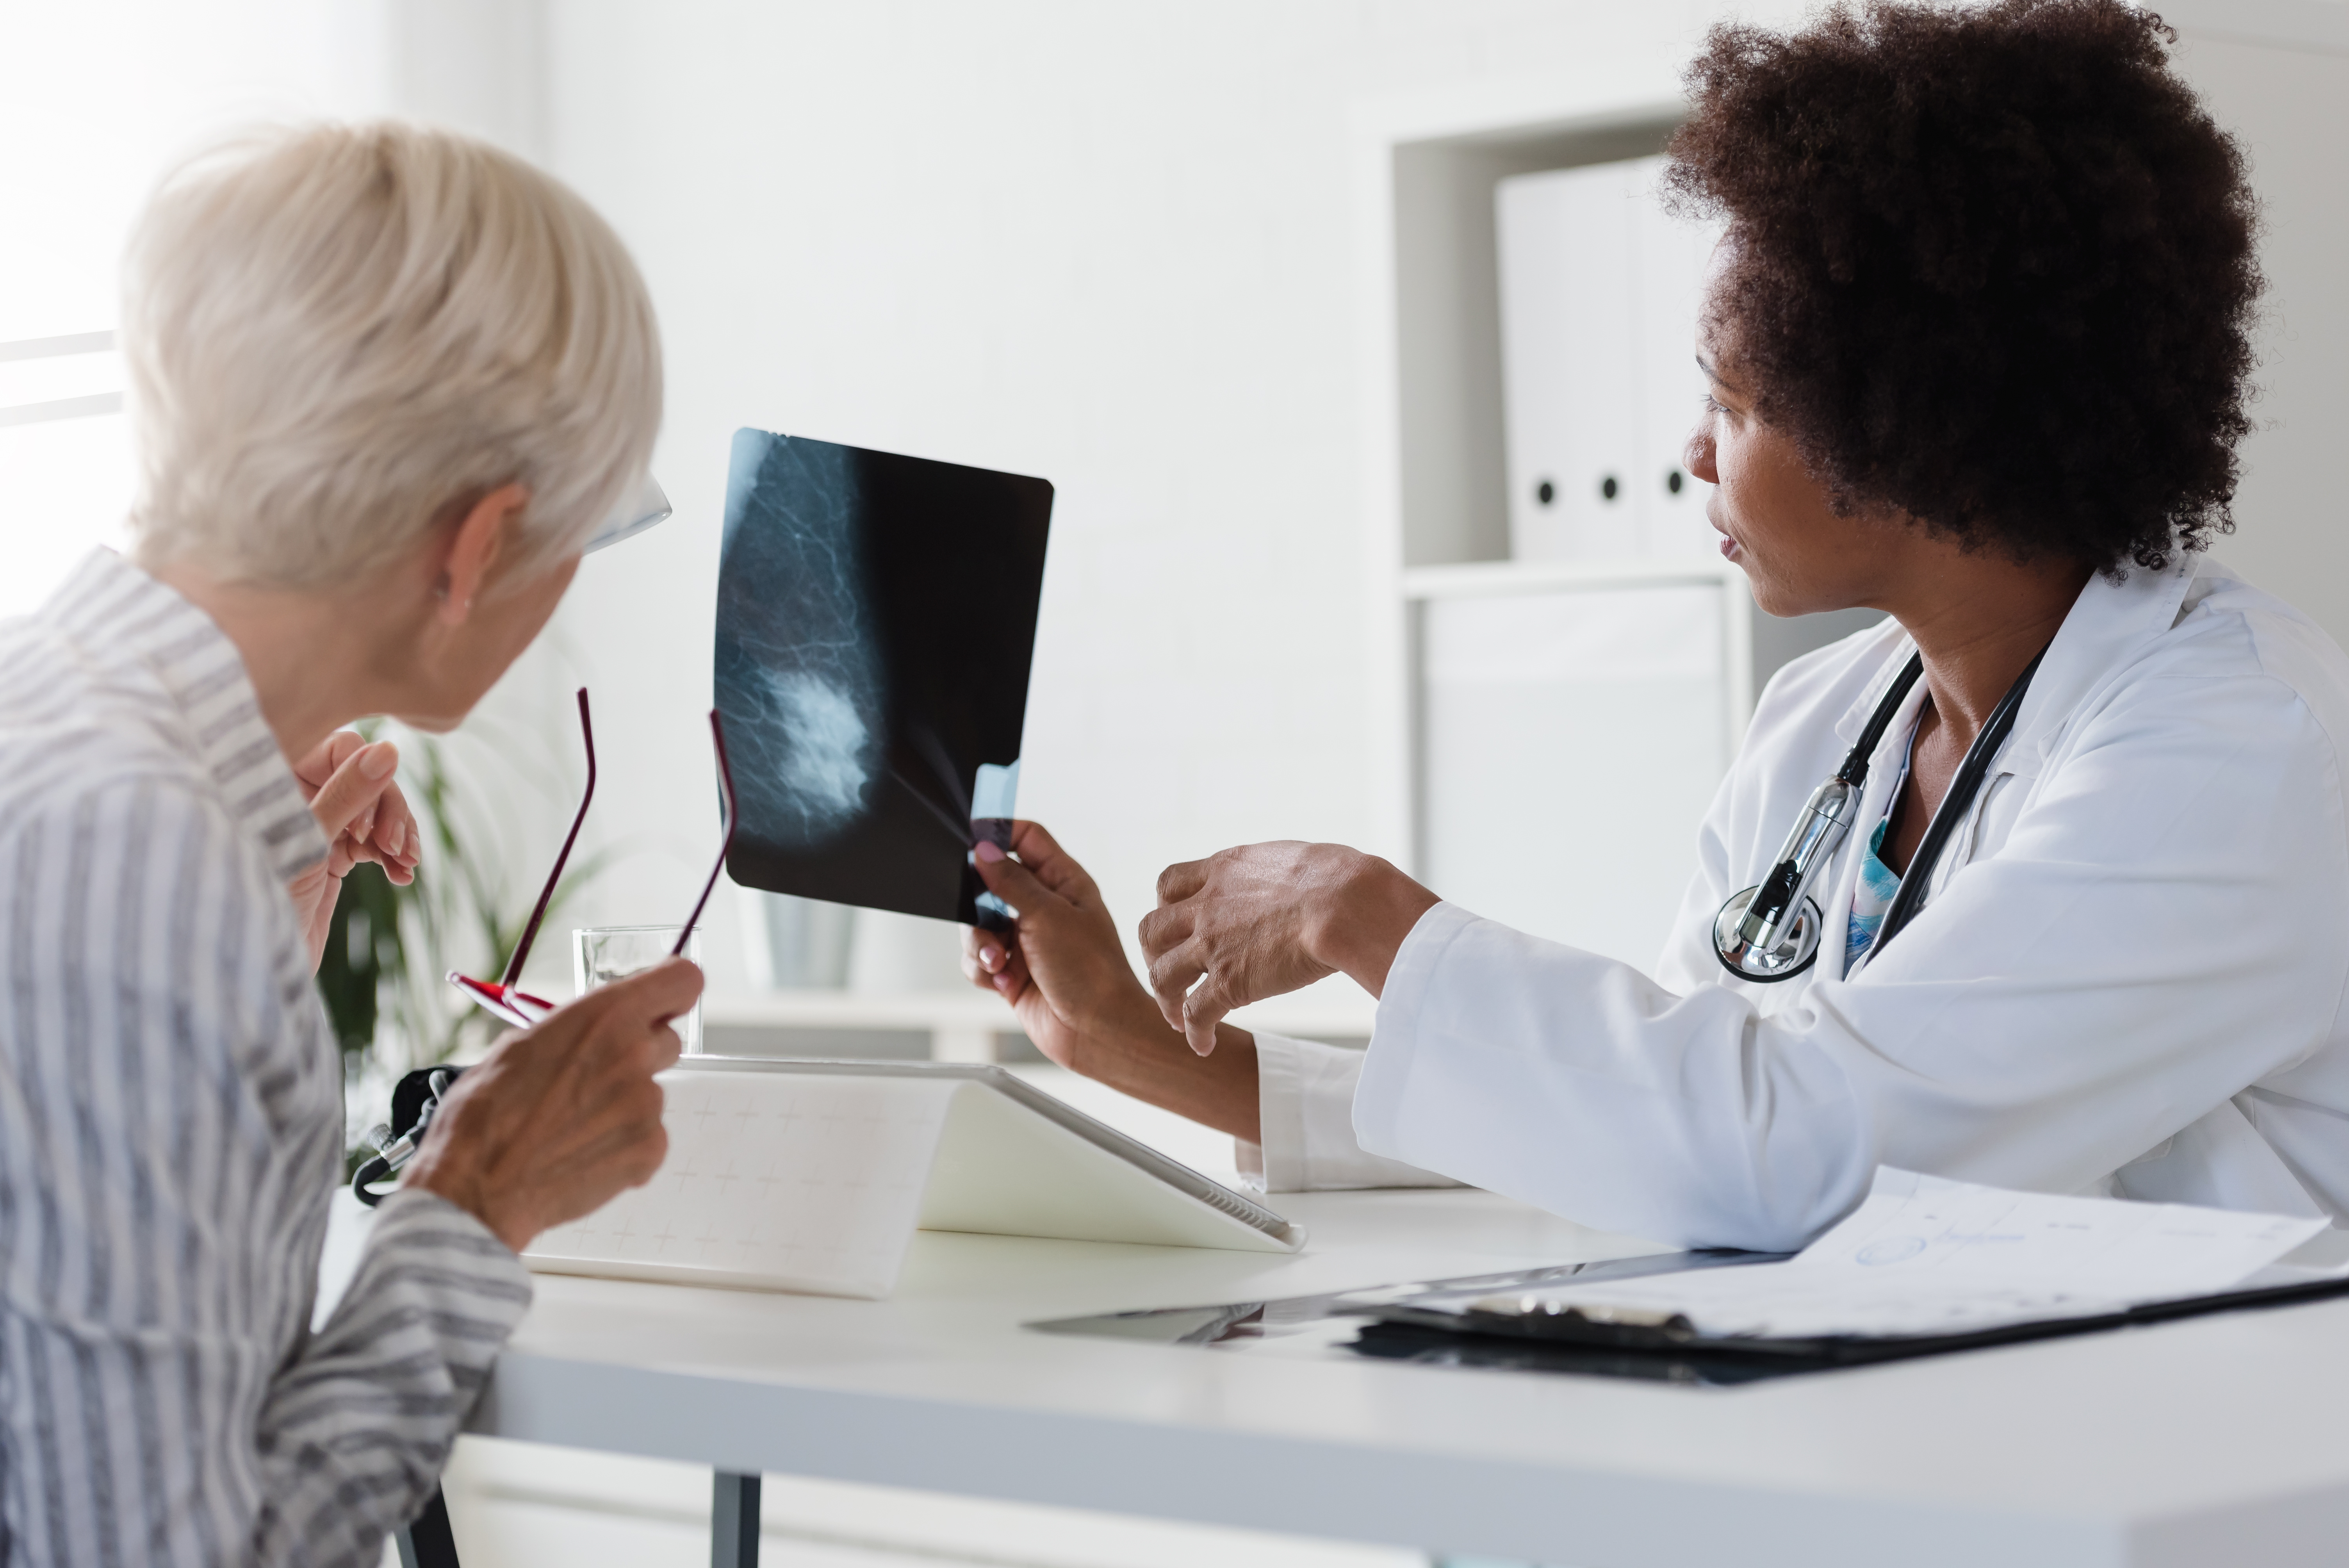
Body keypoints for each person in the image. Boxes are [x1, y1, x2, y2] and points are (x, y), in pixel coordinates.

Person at [964, 0, 2349, 1253]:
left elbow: (1788, 1149)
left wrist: (1360, 916)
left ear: (1924, 424)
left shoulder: (2241, 750)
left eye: (1739, 402)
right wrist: (1134, 1052)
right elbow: (1646, 1137)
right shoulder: (1828, 722)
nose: (1692, 450)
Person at [0, 124, 698, 1564]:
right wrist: (475, 1197)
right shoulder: (140, 859)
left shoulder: (59, 734)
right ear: (477, 545)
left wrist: (242, 914)